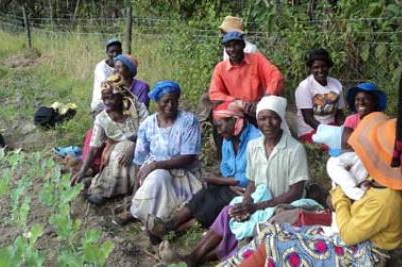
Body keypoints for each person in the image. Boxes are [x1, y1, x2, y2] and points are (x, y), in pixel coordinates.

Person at [221, 112, 402, 267]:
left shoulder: (386, 200)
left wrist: (339, 197)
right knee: (271, 231)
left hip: (362, 255)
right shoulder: (376, 181)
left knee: (277, 243)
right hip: (353, 236)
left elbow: (348, 235)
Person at [160, 96, 309, 266]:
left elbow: (295, 192)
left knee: (251, 232)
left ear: (280, 119)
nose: (268, 123)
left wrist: (256, 207)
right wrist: (246, 203)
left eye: (273, 117)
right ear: (257, 120)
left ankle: (196, 258)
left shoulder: (295, 149)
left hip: (283, 205)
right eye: (262, 118)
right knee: (230, 213)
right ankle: (193, 256)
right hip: (260, 200)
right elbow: (252, 182)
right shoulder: (255, 146)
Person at [145, 101, 260, 238]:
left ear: (234, 120)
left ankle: (175, 231)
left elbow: (251, 178)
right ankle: (171, 224)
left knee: (216, 200)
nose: (219, 131)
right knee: (206, 192)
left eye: (220, 126)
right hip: (232, 185)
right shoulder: (228, 138)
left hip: (250, 190)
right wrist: (227, 181)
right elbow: (225, 168)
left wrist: (222, 181)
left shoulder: (256, 140)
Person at [129, 81, 204, 242]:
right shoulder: (148, 124)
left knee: (158, 176)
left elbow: (189, 156)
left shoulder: (189, 122)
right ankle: (149, 220)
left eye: (174, 101)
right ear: (157, 102)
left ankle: (157, 224)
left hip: (185, 175)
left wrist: (156, 165)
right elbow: (139, 158)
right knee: (157, 178)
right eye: (165, 101)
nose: (170, 105)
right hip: (152, 175)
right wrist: (135, 189)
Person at [70, 75, 148, 205]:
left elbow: (148, 132)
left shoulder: (138, 108)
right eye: (104, 98)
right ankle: (104, 190)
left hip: (143, 147)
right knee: (120, 151)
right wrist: (82, 171)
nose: (107, 102)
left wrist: (134, 146)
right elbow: (94, 147)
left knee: (126, 148)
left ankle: (119, 188)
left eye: (110, 97)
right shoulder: (102, 119)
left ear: (121, 95)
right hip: (118, 151)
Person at [315, 82, 387, 200]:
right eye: (357, 99)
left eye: (366, 99)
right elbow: (341, 143)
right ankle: (349, 189)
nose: (360, 102)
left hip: (371, 162)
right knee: (333, 163)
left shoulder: (381, 121)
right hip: (349, 157)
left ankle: (351, 193)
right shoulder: (351, 120)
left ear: (375, 102)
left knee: (364, 158)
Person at [209, 31, 284, 122]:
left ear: (243, 45)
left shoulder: (257, 59)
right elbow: (214, 94)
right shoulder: (220, 68)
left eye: (236, 45)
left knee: (271, 122)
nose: (232, 49)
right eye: (228, 46)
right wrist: (238, 102)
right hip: (236, 110)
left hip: (259, 107)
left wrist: (266, 99)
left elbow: (275, 76)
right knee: (218, 119)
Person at [295, 48, 345, 143]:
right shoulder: (304, 87)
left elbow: (339, 113)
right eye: (316, 67)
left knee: (351, 140)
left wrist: (344, 128)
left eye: (324, 66)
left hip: (332, 126)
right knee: (335, 144)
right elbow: (308, 118)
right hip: (310, 130)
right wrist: (328, 132)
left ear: (329, 66)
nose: (320, 70)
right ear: (311, 69)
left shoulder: (336, 84)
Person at [90, 38, 122, 114]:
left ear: (121, 52)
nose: (115, 54)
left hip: (117, 99)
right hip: (101, 102)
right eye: (112, 52)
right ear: (107, 52)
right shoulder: (101, 67)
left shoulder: (122, 66)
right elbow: (106, 85)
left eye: (118, 52)